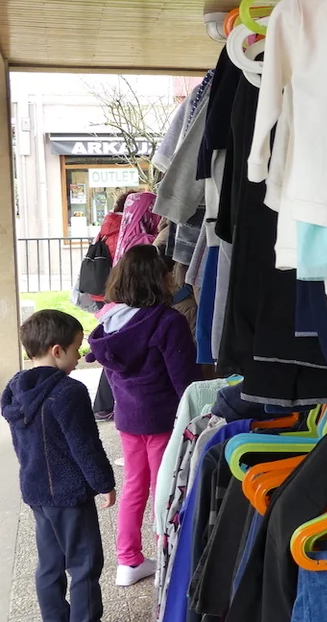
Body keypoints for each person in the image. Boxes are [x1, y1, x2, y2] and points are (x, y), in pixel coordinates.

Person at [86, 244, 201, 587]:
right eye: (166, 273)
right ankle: (165, 557)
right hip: (164, 420)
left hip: (128, 420)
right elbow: (185, 381)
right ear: (158, 279)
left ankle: (128, 560)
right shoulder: (168, 321)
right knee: (164, 488)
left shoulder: (109, 324)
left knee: (135, 487)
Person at [1, 310, 116, 622]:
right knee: (84, 563)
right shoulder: (69, 392)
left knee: (50, 563)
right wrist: (104, 483)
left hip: (36, 490)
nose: (79, 356)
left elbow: (23, 445)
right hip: (69, 495)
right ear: (56, 350)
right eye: (76, 348)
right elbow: (85, 446)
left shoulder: (15, 390)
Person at [91, 190, 135, 422]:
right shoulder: (129, 229)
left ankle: (103, 405)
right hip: (125, 298)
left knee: (111, 349)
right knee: (118, 352)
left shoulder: (108, 226)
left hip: (107, 296)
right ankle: (107, 404)